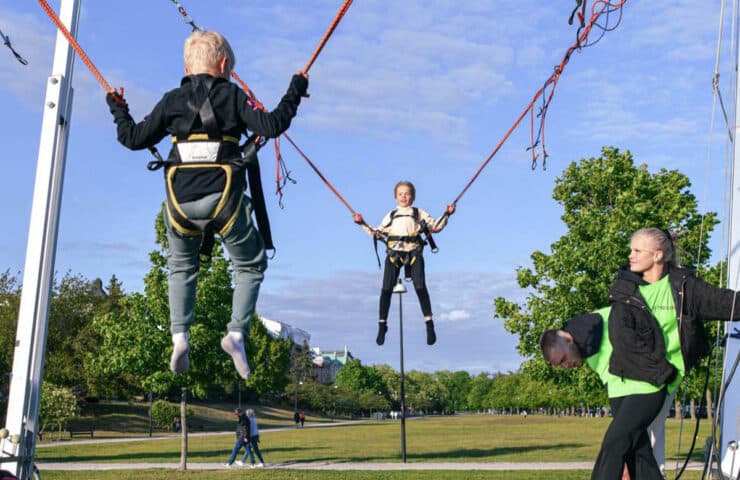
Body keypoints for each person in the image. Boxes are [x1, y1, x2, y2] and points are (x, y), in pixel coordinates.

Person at [105, 30, 308, 379]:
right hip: (224, 200)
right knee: (250, 265)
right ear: (225, 64)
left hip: (180, 203)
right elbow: (273, 125)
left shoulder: (171, 100)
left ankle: (179, 335)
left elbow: (132, 137)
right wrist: (295, 91)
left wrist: (117, 109)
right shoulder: (231, 95)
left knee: (181, 268)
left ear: (186, 65)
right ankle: (235, 334)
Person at [541, 307, 667, 479]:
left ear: (568, 339)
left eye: (563, 359)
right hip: (620, 389)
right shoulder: (587, 350)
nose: (566, 366)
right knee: (637, 451)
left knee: (613, 444)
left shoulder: (606, 320)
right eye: (560, 365)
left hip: (646, 385)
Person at [354, 181, 455, 346]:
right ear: (395, 197)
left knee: (420, 287)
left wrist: (448, 214)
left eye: (407, 194)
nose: (403, 197)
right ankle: (382, 325)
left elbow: (436, 226)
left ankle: (429, 325)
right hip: (394, 254)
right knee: (386, 289)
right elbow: (377, 233)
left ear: (413, 197)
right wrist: (362, 223)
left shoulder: (418, 212)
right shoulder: (392, 215)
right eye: (400, 194)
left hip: (414, 253)